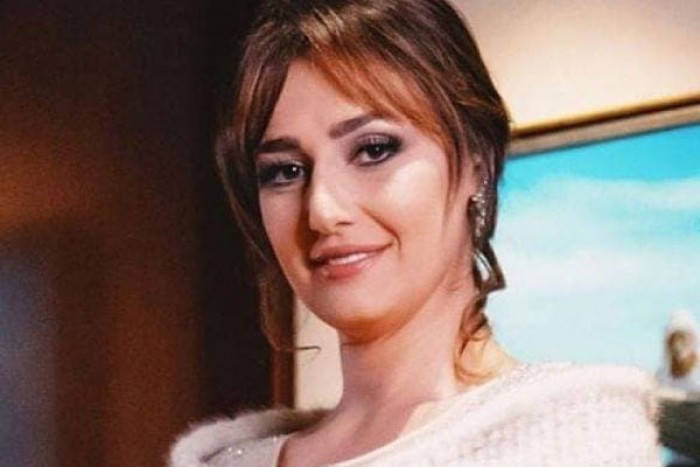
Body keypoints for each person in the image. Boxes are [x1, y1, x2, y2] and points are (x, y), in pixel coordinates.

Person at [170, 0, 659, 465]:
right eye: (285, 171)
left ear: (476, 162)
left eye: (374, 150)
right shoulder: (230, 462)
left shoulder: (572, 442)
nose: (322, 210)